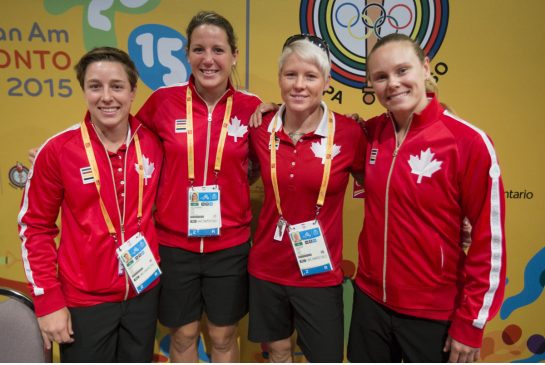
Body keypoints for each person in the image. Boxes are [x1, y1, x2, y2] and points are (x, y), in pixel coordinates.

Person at [347, 33, 506, 363]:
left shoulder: (468, 143)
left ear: (425, 67)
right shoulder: (371, 133)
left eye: (402, 70)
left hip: (433, 312)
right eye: (381, 77)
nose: (392, 83)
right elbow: (313, 124)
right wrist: (271, 111)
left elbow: (489, 242)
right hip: (370, 303)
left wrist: (471, 324)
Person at [18, 47, 163, 362]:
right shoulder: (58, 150)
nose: (106, 97)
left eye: (117, 86)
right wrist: (48, 302)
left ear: (133, 91)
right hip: (85, 302)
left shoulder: (153, 143)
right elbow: (34, 228)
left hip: (143, 294)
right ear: (84, 90)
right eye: (96, 86)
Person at [135, 11, 262, 362]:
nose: (208, 59)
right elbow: (124, 139)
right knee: (183, 334)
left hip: (230, 245)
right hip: (175, 243)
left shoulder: (252, 109)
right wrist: (53, 152)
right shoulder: (162, 102)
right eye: (199, 49)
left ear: (234, 55)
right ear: (187, 54)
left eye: (218, 50)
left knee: (223, 336)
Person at [247, 34, 365, 362]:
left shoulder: (349, 133)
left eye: (310, 76)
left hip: (318, 272)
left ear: (326, 82)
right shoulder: (260, 127)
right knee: (279, 352)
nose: (299, 85)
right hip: (267, 268)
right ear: (280, 78)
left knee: (325, 357)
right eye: (291, 75)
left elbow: (382, 183)